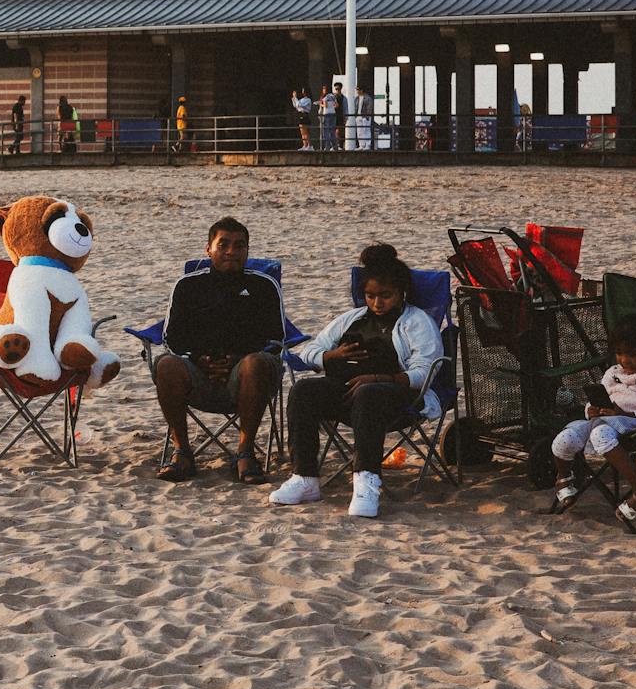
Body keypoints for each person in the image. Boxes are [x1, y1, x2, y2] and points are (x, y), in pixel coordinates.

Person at [269, 243, 444, 518]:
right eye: (370, 296)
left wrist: (377, 378)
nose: (377, 303)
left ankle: (366, 481)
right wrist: (332, 355)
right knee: (304, 390)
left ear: (401, 293)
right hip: (349, 390)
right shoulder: (353, 319)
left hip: (398, 395)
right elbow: (309, 351)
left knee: (369, 393)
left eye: (385, 296)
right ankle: (305, 478)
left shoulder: (418, 322)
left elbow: (424, 373)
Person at [152, 217, 284, 484]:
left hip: (247, 375)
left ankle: (245, 453)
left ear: (248, 250)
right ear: (208, 249)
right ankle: (182, 452)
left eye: (239, 246)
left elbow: (276, 338)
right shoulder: (188, 285)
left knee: (256, 363)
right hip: (199, 372)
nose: (231, 252)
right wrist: (199, 360)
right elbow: (172, 338)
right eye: (223, 245)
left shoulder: (264, 286)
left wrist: (238, 360)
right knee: (166, 364)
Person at [550, 314, 636, 522]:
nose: (624, 360)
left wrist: (628, 414)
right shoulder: (613, 372)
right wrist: (591, 409)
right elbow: (599, 398)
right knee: (565, 438)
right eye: (619, 353)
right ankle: (563, 478)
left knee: (601, 433)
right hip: (603, 421)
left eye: (633, 354)